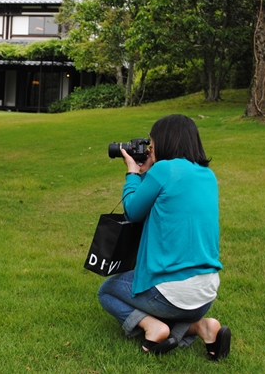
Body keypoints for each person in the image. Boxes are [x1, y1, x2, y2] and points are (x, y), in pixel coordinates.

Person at [98, 114, 231, 360]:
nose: (149, 148)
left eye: (152, 142)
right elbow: (167, 195)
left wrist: (133, 174)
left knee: (107, 291)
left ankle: (153, 327)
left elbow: (133, 210)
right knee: (167, 298)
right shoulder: (207, 175)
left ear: (165, 140)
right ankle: (203, 326)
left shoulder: (163, 169)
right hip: (205, 295)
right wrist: (149, 171)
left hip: (170, 294)